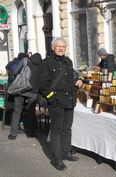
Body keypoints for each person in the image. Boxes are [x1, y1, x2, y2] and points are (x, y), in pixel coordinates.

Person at [38, 37, 83, 171]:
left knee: (67, 129)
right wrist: (52, 98)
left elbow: (73, 75)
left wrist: (79, 79)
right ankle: (57, 159)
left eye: (63, 46)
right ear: (53, 47)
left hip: (70, 100)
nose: (61, 48)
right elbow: (42, 84)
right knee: (57, 130)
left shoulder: (68, 61)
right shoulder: (46, 63)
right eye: (58, 46)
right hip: (56, 102)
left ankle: (66, 152)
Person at [8, 53, 43, 140]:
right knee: (31, 112)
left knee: (17, 111)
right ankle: (31, 132)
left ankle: (13, 134)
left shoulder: (25, 61)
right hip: (33, 91)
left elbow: (15, 71)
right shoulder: (42, 65)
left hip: (21, 90)